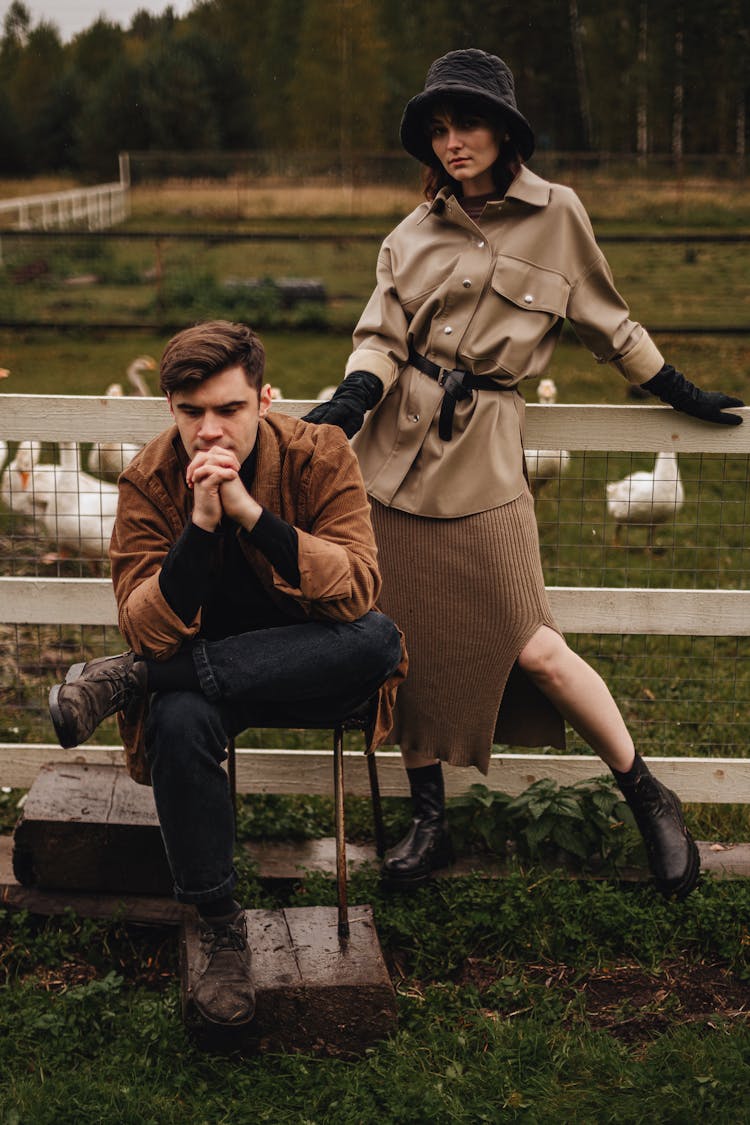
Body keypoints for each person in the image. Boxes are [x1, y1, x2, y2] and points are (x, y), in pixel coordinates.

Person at [305, 49, 744, 899]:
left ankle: (646, 792)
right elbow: (380, 337)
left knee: (537, 646)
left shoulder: (559, 215)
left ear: (504, 130)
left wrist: (679, 390)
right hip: (390, 464)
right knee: (396, 644)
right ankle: (428, 817)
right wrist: (353, 398)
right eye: (438, 130)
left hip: (485, 462)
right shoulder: (409, 234)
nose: (451, 143)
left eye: (465, 124)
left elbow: (610, 324)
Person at [48, 320, 405, 1028]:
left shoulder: (319, 453)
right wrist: (203, 527)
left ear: (265, 399)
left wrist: (251, 513)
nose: (210, 430)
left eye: (229, 409)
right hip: (212, 681)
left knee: (377, 638)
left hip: (313, 660)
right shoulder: (151, 479)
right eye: (191, 412)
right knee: (178, 723)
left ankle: (145, 681)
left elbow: (358, 586)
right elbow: (145, 625)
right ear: (171, 411)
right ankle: (220, 929)